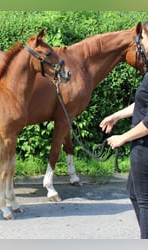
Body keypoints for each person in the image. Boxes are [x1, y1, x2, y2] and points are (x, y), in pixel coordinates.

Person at [99, 20, 148, 239]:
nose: (141, 44)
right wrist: (117, 115)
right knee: (134, 193)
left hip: (145, 148)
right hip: (141, 147)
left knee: (144, 200)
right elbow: (143, 103)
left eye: (143, 39)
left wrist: (123, 138)